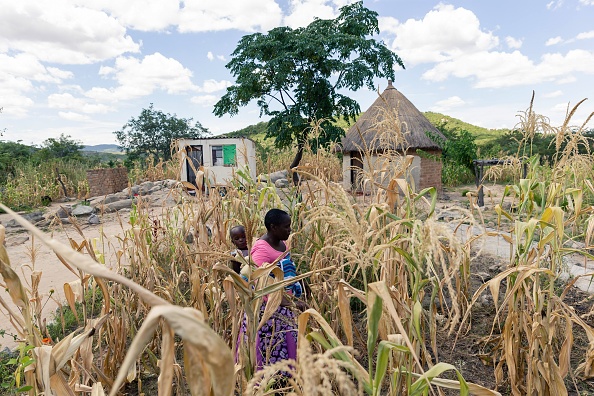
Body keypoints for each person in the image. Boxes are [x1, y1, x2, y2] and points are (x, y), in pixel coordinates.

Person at [249, 209, 300, 369]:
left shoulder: (282, 243)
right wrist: (285, 302)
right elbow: (259, 282)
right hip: (268, 312)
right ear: (273, 227)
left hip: (284, 307)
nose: (289, 230)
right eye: (286, 227)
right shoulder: (261, 250)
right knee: (272, 351)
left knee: (286, 351)